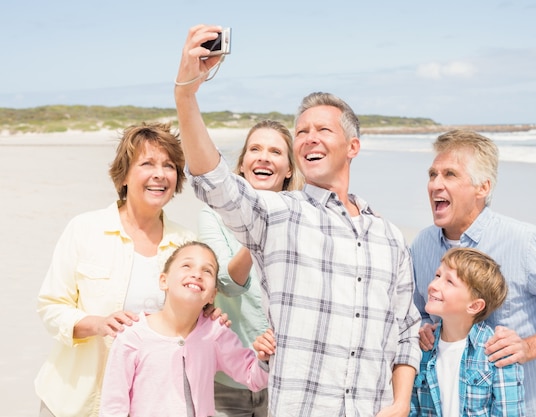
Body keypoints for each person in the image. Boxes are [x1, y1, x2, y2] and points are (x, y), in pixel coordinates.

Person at [175, 24, 421, 417]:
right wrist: (186, 93)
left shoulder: (389, 236)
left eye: (323, 129)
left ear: (353, 146)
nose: (309, 138)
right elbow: (216, 183)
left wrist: (402, 401)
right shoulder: (281, 215)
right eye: (302, 132)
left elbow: (406, 329)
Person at [411, 129, 536, 417]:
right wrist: (422, 328)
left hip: (532, 408)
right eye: (432, 174)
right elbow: (417, 311)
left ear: (483, 188)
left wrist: (528, 347)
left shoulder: (525, 243)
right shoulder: (422, 245)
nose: (435, 185)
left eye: (450, 175)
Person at [35, 122, 205, 417]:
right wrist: (98, 324)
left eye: (169, 166)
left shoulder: (186, 242)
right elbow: (51, 307)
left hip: (149, 405)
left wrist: (207, 314)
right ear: (124, 174)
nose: (159, 174)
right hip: (74, 402)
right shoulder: (84, 229)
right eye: (147, 163)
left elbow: (193, 326)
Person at [198, 119, 302, 417]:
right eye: (255, 149)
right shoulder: (213, 215)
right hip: (226, 380)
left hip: (285, 378)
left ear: (290, 168)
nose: (264, 157)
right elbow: (225, 282)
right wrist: (258, 228)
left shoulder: (304, 219)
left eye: (275, 151)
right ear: (242, 164)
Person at [99, 241, 269, 417]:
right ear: (164, 281)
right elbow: (113, 408)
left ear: (212, 295)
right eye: (187, 265)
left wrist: (265, 358)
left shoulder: (215, 333)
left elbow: (253, 377)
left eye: (207, 271)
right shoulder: (132, 336)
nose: (197, 274)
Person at [409, 247, 525, 417]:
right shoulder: (424, 345)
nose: (433, 285)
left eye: (449, 281)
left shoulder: (497, 352)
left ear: (474, 306)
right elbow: (412, 409)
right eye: (438, 275)